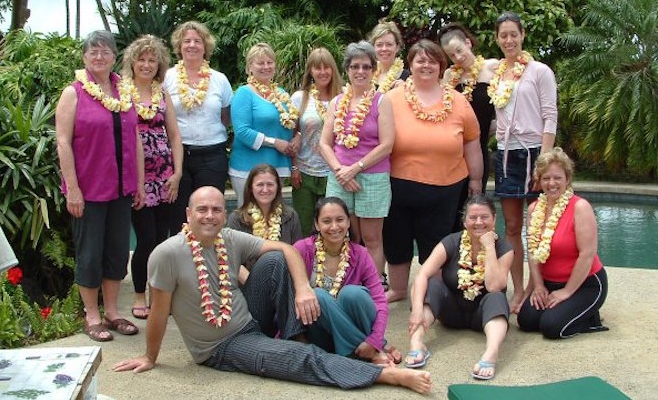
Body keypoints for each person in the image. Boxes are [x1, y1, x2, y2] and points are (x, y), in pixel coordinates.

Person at [113, 187, 432, 395]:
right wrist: (149, 356)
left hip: (250, 319)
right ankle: (385, 376)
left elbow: (286, 249)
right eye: (202, 210)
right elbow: (158, 312)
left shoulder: (228, 238)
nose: (209, 216)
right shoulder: (167, 254)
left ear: (224, 214)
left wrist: (304, 288)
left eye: (216, 209)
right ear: (188, 215)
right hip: (222, 346)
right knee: (303, 359)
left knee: (276, 258)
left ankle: (295, 335)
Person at [56, 30, 145, 342]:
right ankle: (91, 315)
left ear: (114, 56)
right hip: (89, 189)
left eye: (105, 51)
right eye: (93, 51)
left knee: (117, 252)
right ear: (84, 57)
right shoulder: (74, 93)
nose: (99, 56)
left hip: (121, 188)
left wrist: (140, 182)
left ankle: (112, 312)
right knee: (90, 252)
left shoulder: (125, 91)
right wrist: (73, 188)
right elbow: (63, 142)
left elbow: (134, 138)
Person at [383, 39, 483, 303]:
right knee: (396, 237)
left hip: (447, 186)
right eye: (420, 60)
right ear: (410, 65)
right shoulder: (391, 99)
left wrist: (476, 179)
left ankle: (433, 291)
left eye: (432, 60)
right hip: (398, 185)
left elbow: (472, 141)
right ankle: (399, 289)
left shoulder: (459, 101)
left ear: (441, 66)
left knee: (437, 240)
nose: (426, 65)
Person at [489, 11, 557, 313]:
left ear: (523, 34)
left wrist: (544, 162)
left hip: (533, 153)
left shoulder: (540, 71)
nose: (508, 40)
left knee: (537, 225)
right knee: (513, 226)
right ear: (497, 39)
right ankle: (518, 288)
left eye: (513, 34)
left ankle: (535, 284)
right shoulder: (495, 73)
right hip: (506, 153)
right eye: (503, 35)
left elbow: (549, 116)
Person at [406, 195, 513, 381]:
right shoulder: (451, 242)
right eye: (473, 217)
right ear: (464, 221)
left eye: (485, 217)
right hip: (452, 311)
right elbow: (422, 275)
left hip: (484, 314)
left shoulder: (504, 248)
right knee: (430, 284)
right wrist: (416, 310)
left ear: (495, 219)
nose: (478, 222)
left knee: (496, 296)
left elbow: (494, 285)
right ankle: (417, 344)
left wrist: (488, 247)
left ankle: (491, 353)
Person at [319, 41, 394, 285]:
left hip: (372, 178)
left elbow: (387, 145)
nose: (360, 71)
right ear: (347, 70)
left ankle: (372, 284)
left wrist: (356, 169)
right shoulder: (336, 102)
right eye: (354, 66)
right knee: (341, 235)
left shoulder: (382, 101)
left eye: (365, 67)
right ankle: (344, 280)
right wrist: (342, 172)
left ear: (373, 70)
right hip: (340, 177)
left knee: (372, 238)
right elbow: (324, 143)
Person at [293, 197, 401, 366]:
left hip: (358, 327)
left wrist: (375, 338)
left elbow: (379, 301)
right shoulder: (302, 249)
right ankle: (370, 354)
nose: (334, 227)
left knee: (353, 294)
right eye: (327, 221)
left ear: (349, 223)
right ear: (316, 224)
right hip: (321, 333)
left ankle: (367, 349)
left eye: (340, 220)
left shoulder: (360, 254)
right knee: (318, 295)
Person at [120, 35, 183, 320]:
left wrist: (177, 174)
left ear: (159, 64)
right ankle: (138, 294)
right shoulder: (122, 92)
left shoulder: (162, 94)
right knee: (144, 239)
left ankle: (160, 295)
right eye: (141, 59)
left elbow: (174, 136)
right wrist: (138, 183)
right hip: (137, 179)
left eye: (152, 60)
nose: (146, 64)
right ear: (132, 62)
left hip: (165, 178)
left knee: (162, 239)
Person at [517, 148, 608, 339]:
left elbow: (587, 255)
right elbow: (533, 252)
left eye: (557, 178)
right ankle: (563, 308)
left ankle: (590, 318)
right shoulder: (534, 209)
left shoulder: (580, 207)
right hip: (549, 284)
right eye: (546, 178)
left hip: (585, 284)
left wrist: (567, 292)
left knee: (551, 327)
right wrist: (539, 286)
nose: (551, 183)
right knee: (526, 321)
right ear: (539, 181)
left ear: (567, 179)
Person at [164, 21, 233, 235]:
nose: (192, 45)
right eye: (187, 41)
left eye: (197, 41)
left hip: (212, 155)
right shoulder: (167, 77)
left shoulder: (219, 79)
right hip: (178, 156)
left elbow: (226, 117)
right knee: (178, 215)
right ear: (179, 46)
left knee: (211, 214)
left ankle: (212, 265)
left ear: (205, 46)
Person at [230, 43, 300, 206]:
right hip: (248, 168)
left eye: (270, 62)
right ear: (250, 67)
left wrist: (298, 136)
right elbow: (242, 131)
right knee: (249, 218)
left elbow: (292, 124)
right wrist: (274, 142)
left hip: (277, 166)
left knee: (273, 217)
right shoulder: (244, 93)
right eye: (260, 63)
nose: (266, 67)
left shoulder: (282, 94)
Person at [291, 48, 344, 235]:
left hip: (335, 172)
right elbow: (292, 132)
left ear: (333, 69)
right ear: (310, 71)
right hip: (305, 172)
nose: (322, 72)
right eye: (317, 68)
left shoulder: (344, 97)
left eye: (326, 67)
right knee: (305, 226)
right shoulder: (300, 98)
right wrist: (294, 167)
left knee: (333, 227)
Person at [440, 22, 497, 193]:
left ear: (468, 43)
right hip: (454, 147)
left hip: (480, 144)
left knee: (476, 201)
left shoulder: (492, 67)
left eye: (459, 50)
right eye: (451, 55)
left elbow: (507, 98)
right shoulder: (450, 76)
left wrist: (498, 122)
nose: (457, 58)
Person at [226, 164, 302, 282]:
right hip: (248, 283)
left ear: (277, 187)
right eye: (260, 185)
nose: (265, 190)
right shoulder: (237, 219)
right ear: (251, 188)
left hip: (283, 281)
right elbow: (232, 260)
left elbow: (297, 254)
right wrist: (254, 285)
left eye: (270, 184)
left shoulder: (290, 216)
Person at [368, 21, 410, 93]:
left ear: (397, 47)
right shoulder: (367, 75)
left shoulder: (408, 78)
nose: (384, 49)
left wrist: (406, 90)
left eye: (389, 44)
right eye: (379, 45)